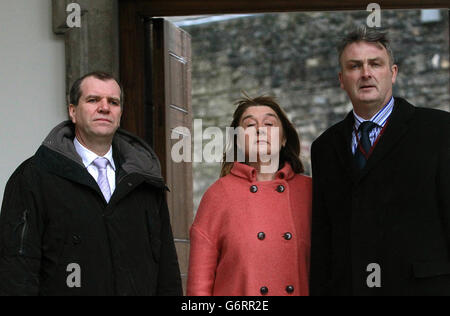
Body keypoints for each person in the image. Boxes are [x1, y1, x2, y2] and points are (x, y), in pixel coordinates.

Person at [0, 71, 182, 296]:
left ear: (120, 113)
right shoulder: (34, 176)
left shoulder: (145, 178)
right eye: (93, 100)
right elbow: (17, 266)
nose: (105, 107)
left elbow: (166, 268)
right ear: (73, 112)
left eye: (113, 102)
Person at [310, 26, 450, 296]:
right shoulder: (324, 148)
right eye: (354, 66)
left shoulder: (440, 130)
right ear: (341, 79)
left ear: (393, 72)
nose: (365, 73)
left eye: (375, 64)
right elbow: (323, 240)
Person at [187, 95, 312, 296]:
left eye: (269, 123)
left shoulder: (310, 192)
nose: (259, 129)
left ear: (284, 138)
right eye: (250, 125)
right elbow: (198, 287)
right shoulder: (218, 195)